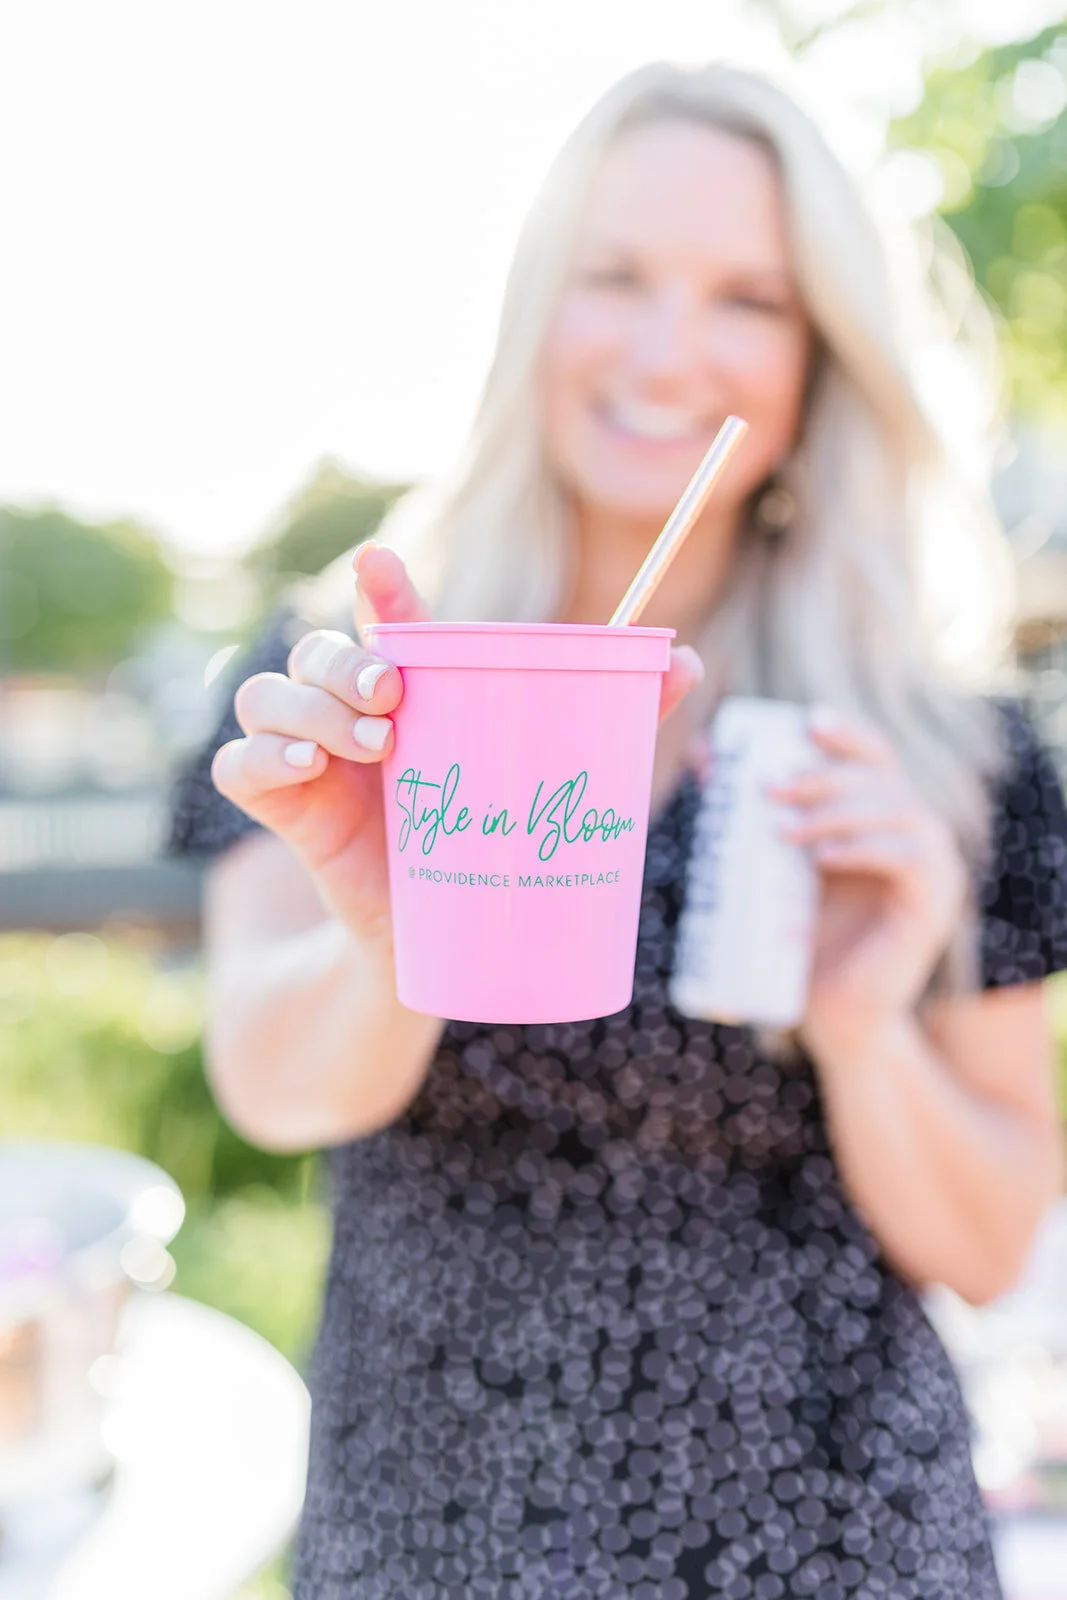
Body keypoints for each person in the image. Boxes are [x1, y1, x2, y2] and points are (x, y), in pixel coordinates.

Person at [171, 62, 1067, 1600]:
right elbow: (268, 1086)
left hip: (838, 1551)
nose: (666, 351)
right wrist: (393, 931)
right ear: (536, 301)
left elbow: (990, 1250)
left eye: (747, 298)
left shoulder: (941, 746)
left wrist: (862, 1027)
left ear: (817, 352)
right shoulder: (350, 678)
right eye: (617, 276)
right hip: (432, 1542)